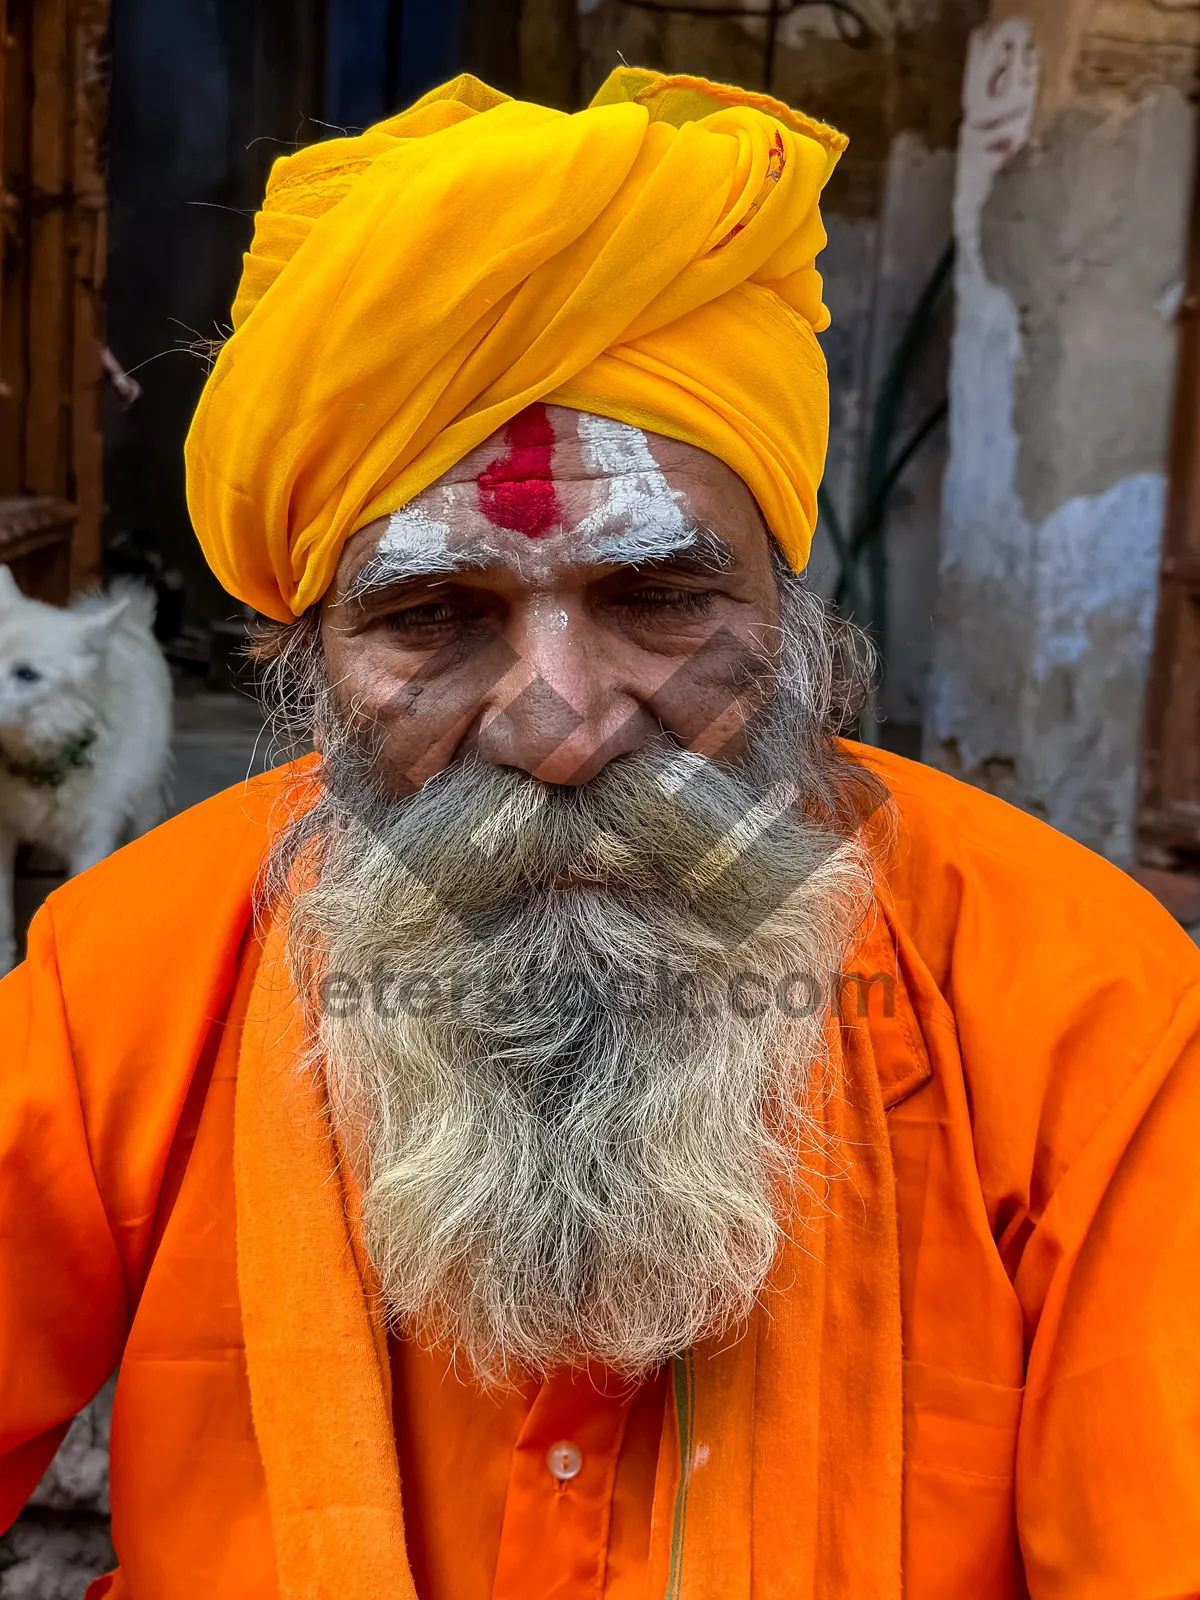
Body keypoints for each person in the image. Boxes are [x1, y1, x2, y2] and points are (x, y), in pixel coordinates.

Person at [2, 68, 1198, 1600]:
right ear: (302, 668)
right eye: (433, 618)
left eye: (660, 598)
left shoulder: (1088, 1014)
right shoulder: (133, 978)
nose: (561, 723)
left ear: (794, 619)